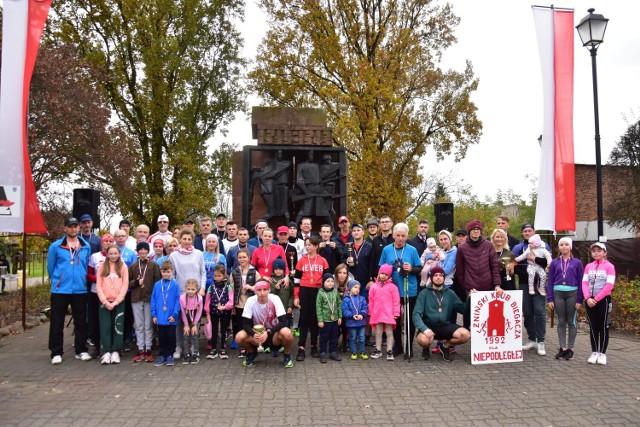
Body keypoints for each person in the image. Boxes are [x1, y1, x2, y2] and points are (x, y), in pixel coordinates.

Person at [47, 217, 92, 365]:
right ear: (64, 228)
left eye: (75, 226)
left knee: (81, 321)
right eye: (70, 226)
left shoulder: (85, 246)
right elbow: (51, 267)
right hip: (61, 289)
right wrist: (57, 281)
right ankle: (56, 352)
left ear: (79, 228)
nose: (73, 229)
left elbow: (85, 265)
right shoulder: (55, 246)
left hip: (79, 289)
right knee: (57, 322)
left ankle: (81, 350)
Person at [377, 223, 422, 357]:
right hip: (391, 291)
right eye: (398, 235)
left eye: (403, 236)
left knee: (409, 319)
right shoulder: (386, 250)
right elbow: (382, 268)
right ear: (394, 235)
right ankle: (398, 345)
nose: (400, 238)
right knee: (394, 319)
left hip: (409, 290)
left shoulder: (412, 250)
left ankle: (409, 346)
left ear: (407, 236)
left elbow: (419, 268)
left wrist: (411, 269)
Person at [413, 266, 473, 362]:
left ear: (444, 278)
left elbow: (463, 310)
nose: (438, 277)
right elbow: (416, 314)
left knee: (465, 335)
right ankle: (426, 347)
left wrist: (470, 299)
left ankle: (445, 346)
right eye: (435, 275)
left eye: (440, 275)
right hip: (429, 326)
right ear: (431, 278)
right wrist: (424, 329)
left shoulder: (450, 293)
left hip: (445, 325)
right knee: (424, 340)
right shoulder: (424, 293)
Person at [235, 279, 295, 368]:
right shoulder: (250, 301)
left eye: (265, 289)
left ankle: (287, 356)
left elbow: (283, 322)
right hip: (258, 335)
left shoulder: (275, 299)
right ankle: (252, 352)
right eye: (259, 290)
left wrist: (268, 332)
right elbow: (245, 324)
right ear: (255, 290)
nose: (262, 293)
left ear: (269, 290)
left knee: (287, 333)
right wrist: (253, 334)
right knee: (239, 337)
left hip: (274, 334)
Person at [456, 220, 501, 330]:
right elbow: (460, 270)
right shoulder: (462, 248)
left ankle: (483, 339)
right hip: (471, 288)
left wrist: (497, 284)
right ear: (469, 231)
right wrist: (466, 285)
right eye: (473, 229)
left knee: (486, 314)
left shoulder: (489, 245)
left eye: (478, 229)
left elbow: (494, 266)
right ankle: (467, 333)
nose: (476, 231)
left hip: (488, 286)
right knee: (470, 312)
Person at [513, 223, 551, 356]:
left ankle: (540, 341)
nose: (527, 232)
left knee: (539, 311)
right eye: (525, 231)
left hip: (540, 283)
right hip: (525, 283)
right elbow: (514, 265)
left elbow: (547, 263)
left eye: (530, 230)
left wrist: (535, 259)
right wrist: (528, 274)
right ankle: (531, 339)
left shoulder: (544, 246)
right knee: (527, 312)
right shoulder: (518, 247)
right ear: (522, 233)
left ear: (534, 232)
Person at [169, 229, 206, 359]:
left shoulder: (198, 254)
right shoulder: (174, 255)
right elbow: (172, 275)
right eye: (184, 239)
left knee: (194, 321)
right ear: (180, 239)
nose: (186, 241)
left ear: (192, 240)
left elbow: (203, 272)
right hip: (180, 294)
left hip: (195, 294)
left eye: (189, 239)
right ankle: (179, 346)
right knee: (180, 322)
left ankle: (193, 346)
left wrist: (201, 289)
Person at [293, 236, 330, 361]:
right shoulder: (302, 260)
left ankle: (314, 345)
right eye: (306, 245)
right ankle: (301, 347)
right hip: (304, 290)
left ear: (316, 246)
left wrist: (325, 295)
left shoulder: (323, 261)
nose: (307, 247)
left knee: (315, 319)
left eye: (309, 245)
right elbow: (297, 280)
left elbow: (327, 280)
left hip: (318, 291)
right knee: (304, 319)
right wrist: (296, 296)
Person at [547, 237, 584, 361]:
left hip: (572, 293)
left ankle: (570, 349)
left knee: (571, 322)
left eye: (566, 244)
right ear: (559, 247)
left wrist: (580, 299)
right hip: (558, 293)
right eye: (561, 244)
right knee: (561, 322)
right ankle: (563, 348)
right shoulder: (554, 262)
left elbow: (581, 281)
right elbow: (550, 280)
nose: (564, 247)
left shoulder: (577, 263)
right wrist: (550, 298)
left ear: (571, 247)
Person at [582, 242, 616, 366]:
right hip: (589, 301)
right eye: (594, 251)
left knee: (603, 327)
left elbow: (609, 285)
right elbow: (584, 283)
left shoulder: (609, 266)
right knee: (593, 327)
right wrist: (587, 298)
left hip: (603, 300)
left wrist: (596, 299)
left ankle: (602, 353)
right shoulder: (588, 266)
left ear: (604, 253)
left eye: (599, 250)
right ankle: (594, 352)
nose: (596, 253)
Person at [96, 245, 129, 365]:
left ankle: (116, 351)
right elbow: (98, 285)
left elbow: (125, 285)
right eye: (111, 253)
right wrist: (104, 301)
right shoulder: (102, 267)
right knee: (105, 326)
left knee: (118, 326)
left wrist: (116, 302)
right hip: (104, 302)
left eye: (115, 253)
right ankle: (106, 351)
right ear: (107, 254)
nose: (113, 256)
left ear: (119, 254)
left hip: (118, 302)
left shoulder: (123, 267)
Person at [129, 241, 161, 363]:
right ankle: (140, 349)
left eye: (145, 250)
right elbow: (128, 282)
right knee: (139, 325)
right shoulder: (133, 266)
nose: (142, 252)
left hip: (149, 298)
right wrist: (136, 283)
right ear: (137, 251)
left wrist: (156, 298)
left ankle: (148, 349)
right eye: (140, 250)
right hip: (136, 298)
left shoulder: (153, 265)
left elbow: (157, 282)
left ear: (148, 251)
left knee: (148, 325)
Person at [229, 248, 261, 357]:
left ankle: (252, 345)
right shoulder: (234, 272)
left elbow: (260, 286)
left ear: (249, 258)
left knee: (250, 325)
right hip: (238, 303)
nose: (242, 259)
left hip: (250, 303)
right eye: (240, 257)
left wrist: (251, 287)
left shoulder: (254, 272)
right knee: (239, 325)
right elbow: (230, 287)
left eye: (244, 257)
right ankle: (242, 346)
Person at [86, 234, 113, 357]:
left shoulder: (116, 256)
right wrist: (99, 279)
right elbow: (89, 274)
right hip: (95, 292)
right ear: (101, 243)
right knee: (95, 320)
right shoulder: (94, 257)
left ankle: (111, 346)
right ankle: (97, 346)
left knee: (109, 321)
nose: (108, 243)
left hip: (110, 294)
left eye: (110, 241)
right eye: (105, 241)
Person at [150, 261, 181, 367]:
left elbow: (178, 301)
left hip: (171, 317)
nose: (166, 274)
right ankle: (162, 355)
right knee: (162, 337)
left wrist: (175, 314)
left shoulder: (175, 284)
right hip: (160, 317)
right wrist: (154, 314)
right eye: (164, 272)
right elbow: (153, 300)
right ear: (160, 272)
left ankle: (170, 355)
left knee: (171, 336)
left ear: (172, 272)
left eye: (168, 272)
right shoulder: (157, 285)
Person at [368, 264, 400, 360]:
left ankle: (389, 350)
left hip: (389, 314)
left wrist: (396, 313)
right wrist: (370, 312)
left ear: (389, 276)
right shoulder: (374, 286)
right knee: (378, 332)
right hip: (377, 313)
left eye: (386, 274)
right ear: (379, 273)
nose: (383, 276)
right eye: (382, 273)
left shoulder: (393, 287)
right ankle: (378, 349)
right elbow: (371, 300)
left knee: (389, 333)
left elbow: (396, 301)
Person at [205, 265, 233, 360]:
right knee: (214, 330)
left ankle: (223, 348)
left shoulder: (228, 287)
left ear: (224, 275)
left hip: (225, 312)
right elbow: (207, 301)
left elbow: (231, 300)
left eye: (219, 276)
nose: (217, 278)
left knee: (224, 330)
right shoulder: (211, 287)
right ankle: (213, 349)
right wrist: (207, 313)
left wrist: (225, 307)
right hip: (213, 312)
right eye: (215, 276)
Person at [316, 273, 343, 363]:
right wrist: (320, 320)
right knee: (324, 337)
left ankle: (333, 352)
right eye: (328, 281)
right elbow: (318, 307)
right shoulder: (320, 293)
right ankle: (322, 352)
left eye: (332, 281)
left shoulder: (335, 291)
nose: (330, 283)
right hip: (325, 320)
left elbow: (339, 304)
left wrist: (339, 316)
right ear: (323, 282)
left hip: (335, 319)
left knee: (334, 337)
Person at [342, 280, 369, 360]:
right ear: (350, 289)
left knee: (362, 337)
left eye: (359, 288)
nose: (357, 289)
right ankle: (353, 352)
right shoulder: (346, 299)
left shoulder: (362, 298)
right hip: (351, 323)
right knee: (352, 337)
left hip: (362, 322)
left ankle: (362, 352)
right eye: (355, 287)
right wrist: (351, 315)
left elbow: (365, 308)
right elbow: (344, 310)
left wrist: (362, 314)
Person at [180, 279, 204, 364]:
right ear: (185, 289)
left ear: (196, 289)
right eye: (188, 289)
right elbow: (183, 313)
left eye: (193, 289)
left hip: (195, 318)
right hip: (186, 317)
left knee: (195, 334)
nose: (190, 291)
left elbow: (199, 312)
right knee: (186, 334)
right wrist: (186, 324)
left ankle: (195, 353)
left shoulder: (199, 298)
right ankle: (186, 354)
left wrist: (194, 324)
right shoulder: (182, 298)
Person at [270, 258, 293, 330]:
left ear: (283, 270)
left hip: (286, 311)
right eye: (276, 269)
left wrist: (290, 306)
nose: (278, 271)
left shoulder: (288, 281)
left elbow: (292, 295)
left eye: (280, 269)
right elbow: (269, 296)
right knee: (275, 330)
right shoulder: (270, 281)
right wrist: (276, 289)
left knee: (286, 330)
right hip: (274, 312)